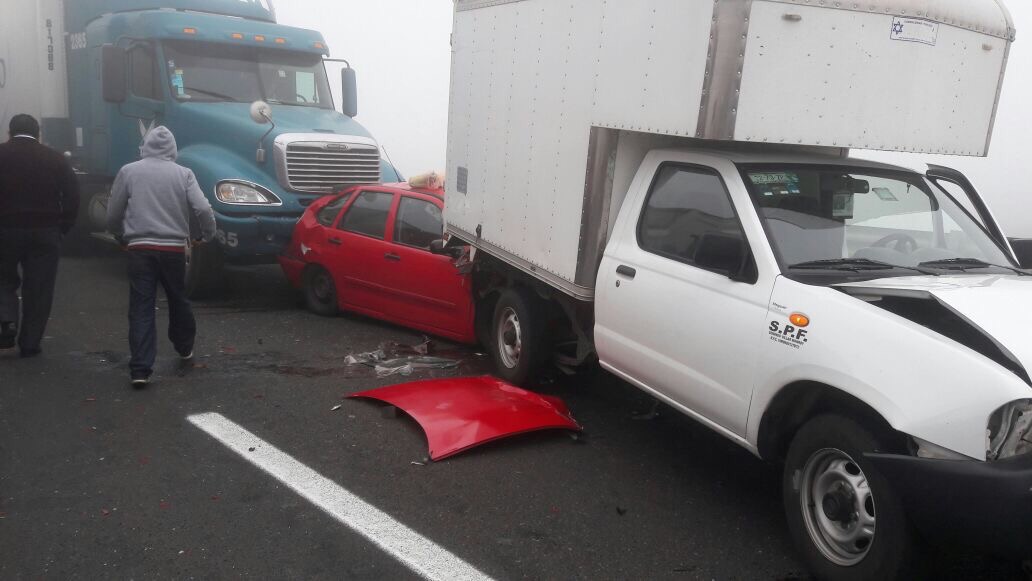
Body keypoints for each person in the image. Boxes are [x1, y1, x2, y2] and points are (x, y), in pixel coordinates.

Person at [107, 126, 216, 387]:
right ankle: (184, 346)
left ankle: (141, 369)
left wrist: (119, 235)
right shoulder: (184, 174)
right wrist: (206, 235)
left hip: (140, 248)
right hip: (173, 249)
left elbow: (113, 212)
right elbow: (202, 207)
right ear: (172, 149)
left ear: (144, 145)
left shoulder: (129, 171)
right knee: (177, 299)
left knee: (142, 306)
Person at [0, 114, 80, 358]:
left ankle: (6, 320)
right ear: (38, 133)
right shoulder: (55, 159)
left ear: (9, 132)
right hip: (46, 231)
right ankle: (30, 342)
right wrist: (62, 226)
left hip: (5, 229)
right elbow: (72, 195)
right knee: (40, 287)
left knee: (2, 280)